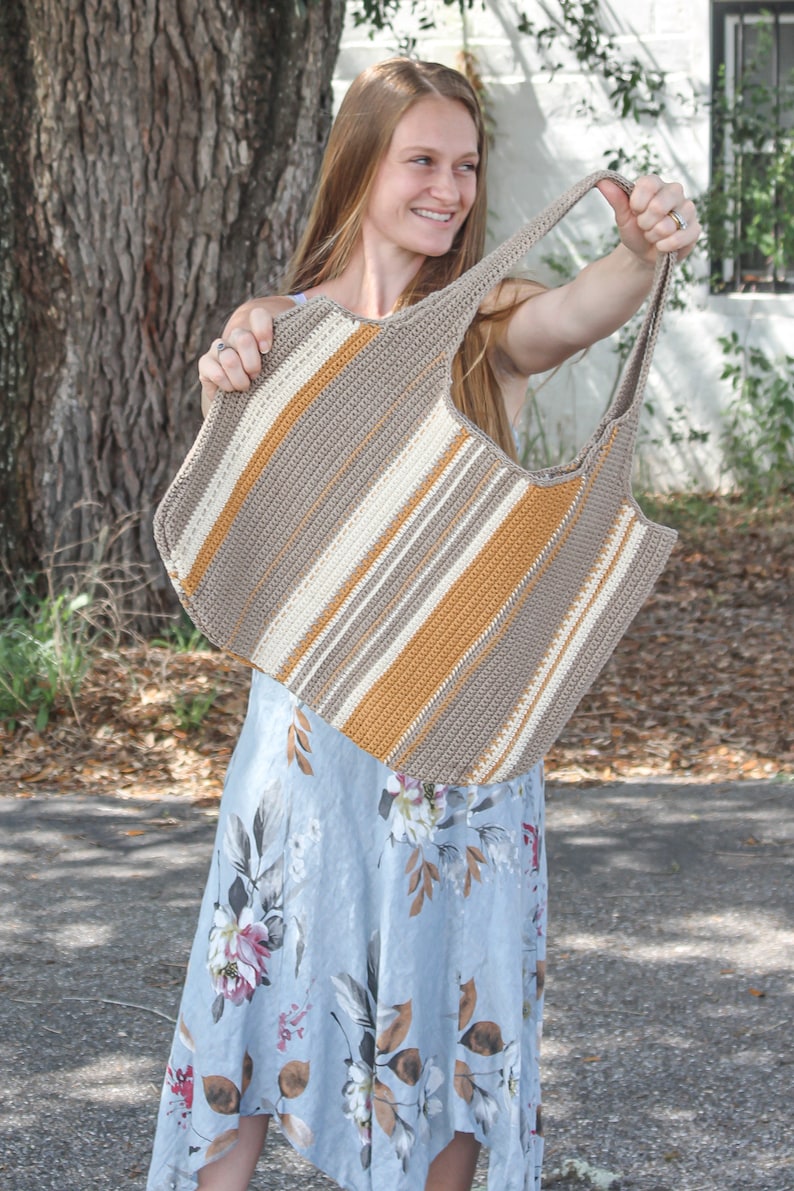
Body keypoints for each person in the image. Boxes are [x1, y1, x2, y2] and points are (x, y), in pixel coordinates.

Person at [147, 58, 699, 1191]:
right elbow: (237, 505)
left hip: (454, 737)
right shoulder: (276, 328)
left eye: (465, 166)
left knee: (448, 1038)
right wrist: (225, 373)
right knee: (245, 1021)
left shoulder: (478, 326)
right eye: (422, 161)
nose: (448, 189)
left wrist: (639, 253)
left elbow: (566, 319)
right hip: (305, 745)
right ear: (359, 168)